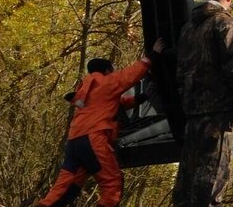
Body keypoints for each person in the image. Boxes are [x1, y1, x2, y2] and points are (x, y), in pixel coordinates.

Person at [35, 39, 165, 207]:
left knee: (65, 187)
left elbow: (118, 102)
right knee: (112, 183)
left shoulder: (87, 88)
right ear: (107, 70)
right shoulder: (107, 82)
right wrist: (153, 55)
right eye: (113, 70)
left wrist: (142, 97)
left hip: (75, 142)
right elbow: (129, 76)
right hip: (94, 139)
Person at [173, 0, 233, 207]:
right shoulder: (224, 23)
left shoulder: (187, 29)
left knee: (188, 181)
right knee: (212, 179)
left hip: (192, 113)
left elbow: (180, 73)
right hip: (219, 113)